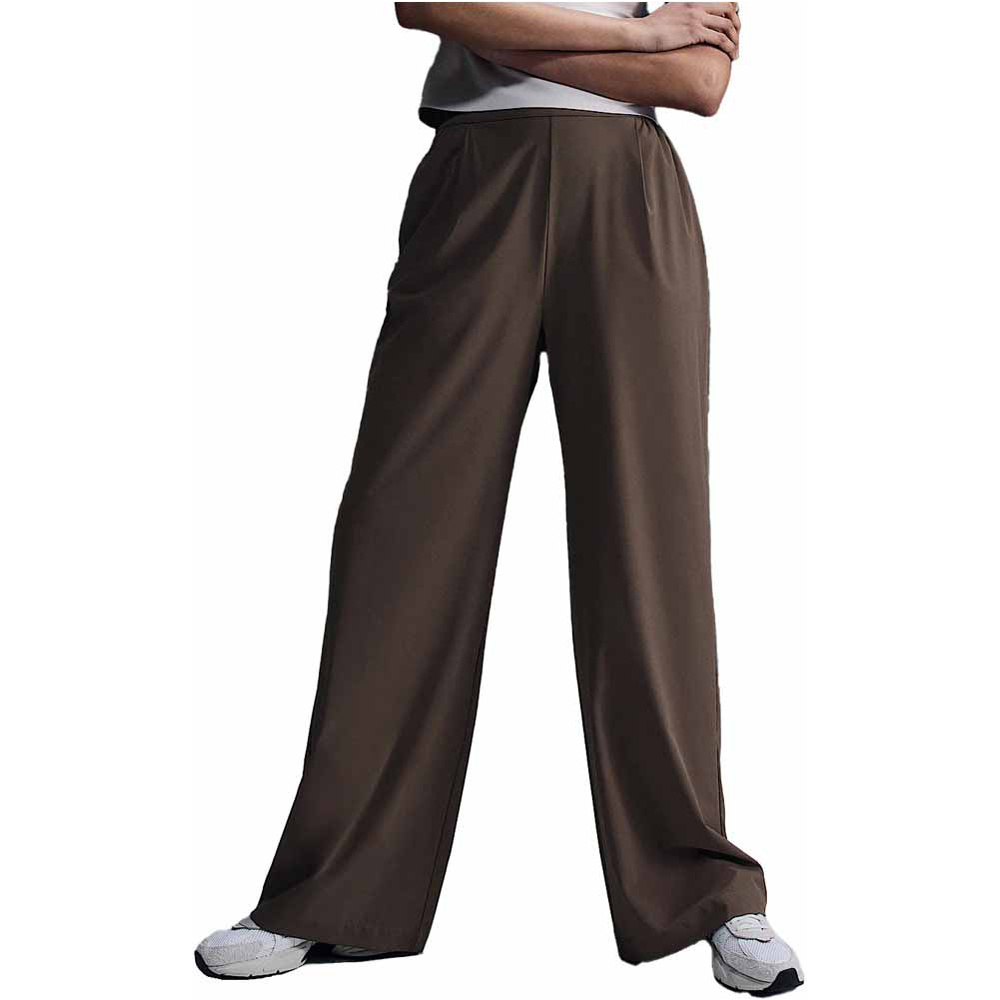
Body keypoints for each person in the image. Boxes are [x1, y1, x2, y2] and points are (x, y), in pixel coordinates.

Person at [195, 3, 803, 994]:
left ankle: (707, 894)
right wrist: (639, 35)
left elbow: (699, 83)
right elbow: (426, 5)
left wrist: (509, 34)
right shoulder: (633, 30)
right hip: (475, 179)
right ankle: (332, 892)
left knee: (649, 544)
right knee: (402, 536)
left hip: (628, 192)